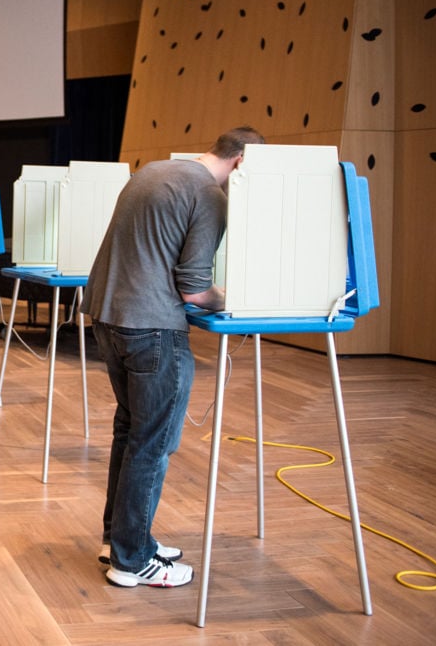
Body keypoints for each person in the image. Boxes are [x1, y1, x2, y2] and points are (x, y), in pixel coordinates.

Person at [85, 126, 265, 588]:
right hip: (151, 327)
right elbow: (194, 287)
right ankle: (132, 560)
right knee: (152, 442)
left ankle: (122, 539)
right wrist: (238, 298)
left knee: (130, 433)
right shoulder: (209, 196)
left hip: (107, 316)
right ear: (242, 162)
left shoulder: (155, 171)